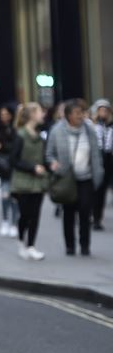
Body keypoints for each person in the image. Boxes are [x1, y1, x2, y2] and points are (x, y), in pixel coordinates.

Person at [46, 99, 104, 256]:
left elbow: (96, 154)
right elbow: (49, 154)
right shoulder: (57, 131)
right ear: (68, 115)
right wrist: (53, 164)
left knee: (85, 211)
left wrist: (98, 174)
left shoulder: (89, 130)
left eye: (82, 113)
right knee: (69, 212)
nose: (81, 116)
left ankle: (85, 244)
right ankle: (70, 245)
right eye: (78, 113)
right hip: (66, 178)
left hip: (86, 177)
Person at [9, 103, 48, 260]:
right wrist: (32, 168)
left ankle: (31, 245)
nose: (43, 114)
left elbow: (43, 157)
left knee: (35, 215)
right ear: (32, 115)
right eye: (40, 112)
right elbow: (13, 160)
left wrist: (49, 165)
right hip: (22, 182)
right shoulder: (20, 135)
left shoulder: (40, 136)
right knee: (25, 214)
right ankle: (21, 241)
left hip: (38, 182)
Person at [0, 105, 19, 237]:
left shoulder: (15, 128)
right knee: (5, 195)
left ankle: (14, 222)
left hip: (14, 166)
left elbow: (12, 146)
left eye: (6, 114)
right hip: (3, 167)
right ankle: (5, 220)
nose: (4, 117)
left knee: (14, 197)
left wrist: (3, 146)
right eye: (2, 114)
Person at [91, 98, 112, 230]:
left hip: (108, 160)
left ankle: (98, 218)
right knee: (94, 190)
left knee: (102, 191)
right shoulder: (91, 126)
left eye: (106, 110)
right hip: (95, 159)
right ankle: (92, 214)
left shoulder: (111, 127)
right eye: (101, 110)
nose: (103, 113)